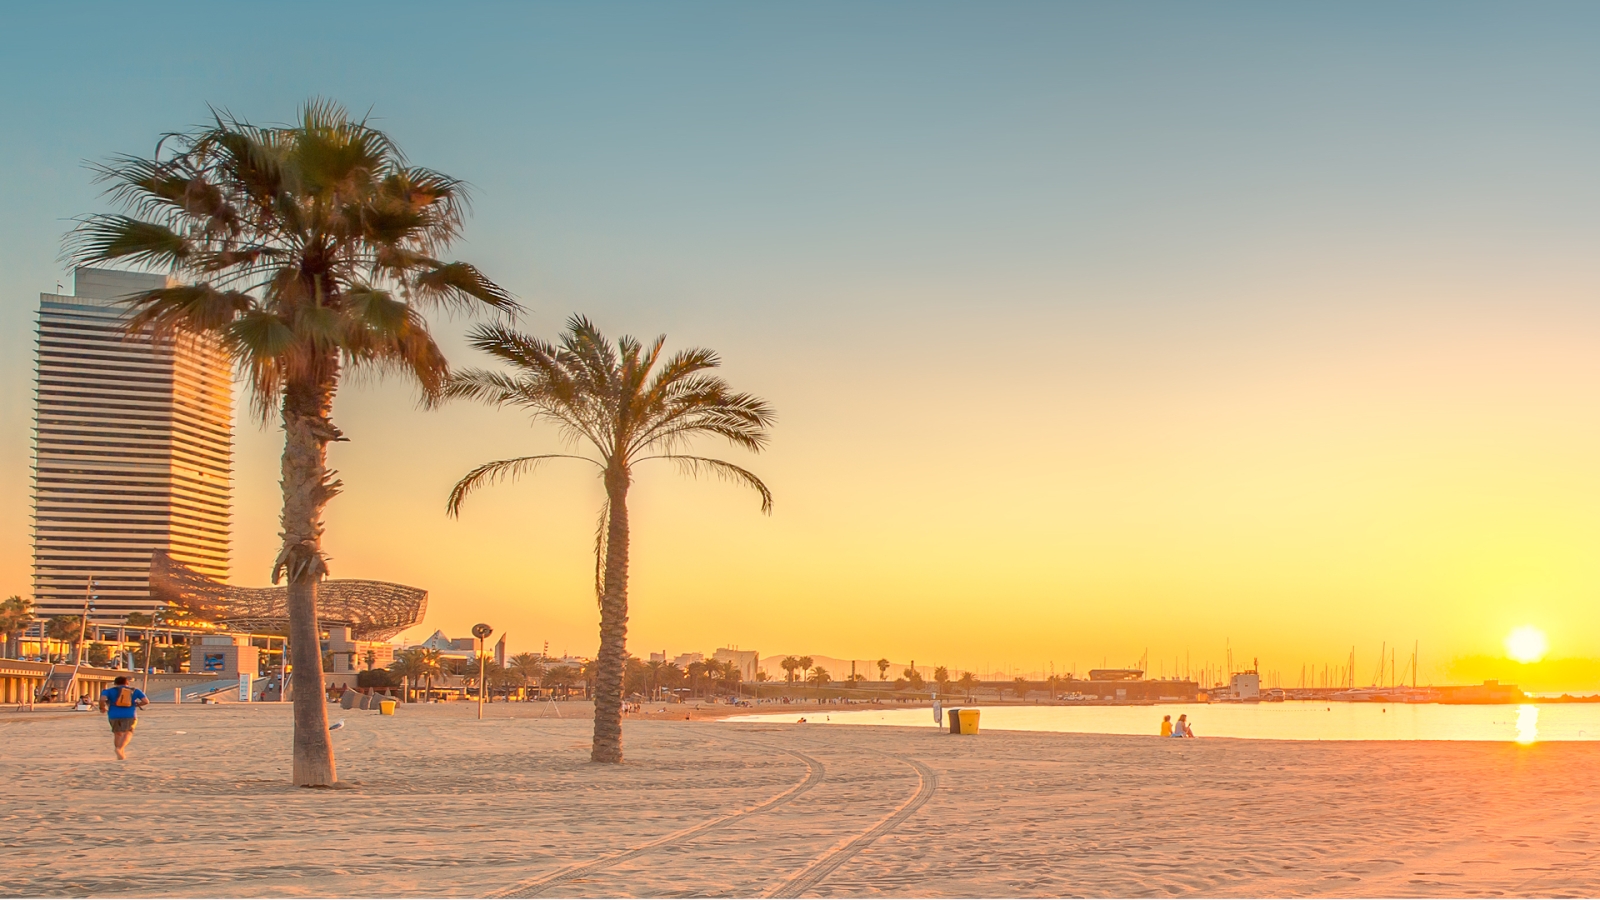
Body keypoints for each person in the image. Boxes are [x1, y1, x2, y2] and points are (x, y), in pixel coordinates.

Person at [98, 675, 148, 760]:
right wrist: (137, 704)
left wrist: (102, 707)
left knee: (117, 733)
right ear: (127, 682)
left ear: (115, 683)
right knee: (128, 732)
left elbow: (102, 699)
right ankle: (120, 749)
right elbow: (146, 701)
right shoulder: (135, 691)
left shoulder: (108, 691)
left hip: (113, 715)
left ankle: (120, 753)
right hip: (129, 714)